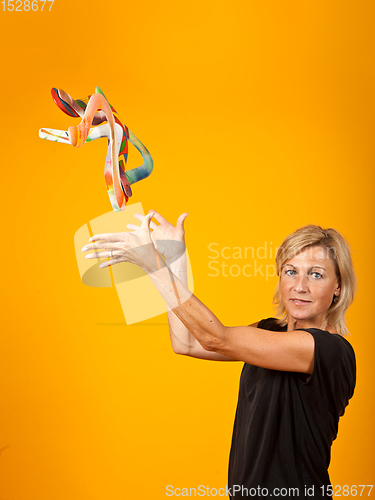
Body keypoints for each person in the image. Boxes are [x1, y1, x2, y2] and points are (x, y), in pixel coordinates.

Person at [82, 211, 356, 499]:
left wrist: (153, 265)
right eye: (291, 271)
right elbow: (186, 341)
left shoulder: (328, 351)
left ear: (337, 287)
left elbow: (215, 337)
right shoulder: (269, 330)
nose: (300, 286)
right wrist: (174, 258)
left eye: (316, 274)